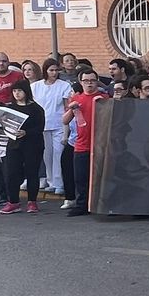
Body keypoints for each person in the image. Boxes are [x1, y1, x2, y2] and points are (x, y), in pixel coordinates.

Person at [0, 81, 45, 214]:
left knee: (32, 172)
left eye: (19, 91)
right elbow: (4, 125)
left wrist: (26, 132)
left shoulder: (36, 108)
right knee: (11, 173)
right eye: (14, 91)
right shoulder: (10, 107)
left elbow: (40, 127)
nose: (17, 94)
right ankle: (13, 202)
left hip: (32, 144)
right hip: (14, 144)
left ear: (26, 91)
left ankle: (32, 202)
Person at [63, 68, 104, 216]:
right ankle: (82, 205)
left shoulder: (103, 98)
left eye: (92, 81)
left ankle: (99, 205)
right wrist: (72, 109)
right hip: (81, 144)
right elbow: (65, 120)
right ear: (81, 82)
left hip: (100, 145)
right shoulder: (77, 99)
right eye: (86, 81)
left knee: (99, 177)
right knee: (80, 177)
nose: (90, 84)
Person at [32, 61, 72, 196]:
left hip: (59, 123)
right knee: (46, 154)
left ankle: (60, 183)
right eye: (51, 70)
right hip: (42, 124)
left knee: (58, 153)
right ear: (45, 71)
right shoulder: (36, 86)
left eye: (56, 70)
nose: (54, 73)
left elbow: (67, 106)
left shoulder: (64, 85)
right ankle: (51, 182)